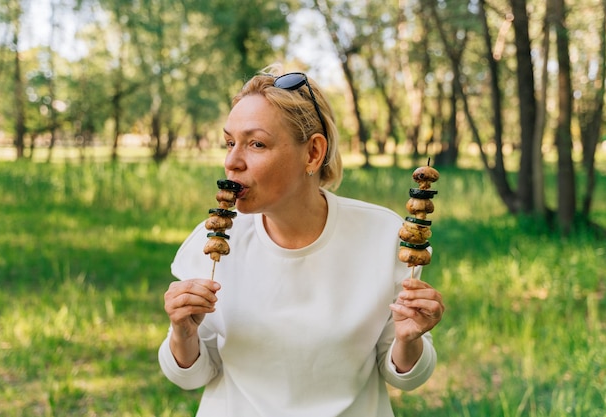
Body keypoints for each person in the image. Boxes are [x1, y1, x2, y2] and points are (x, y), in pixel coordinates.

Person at [158, 64, 445, 417]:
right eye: (230, 142)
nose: (231, 162)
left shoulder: (386, 236)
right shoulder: (212, 242)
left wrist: (408, 339)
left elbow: (403, 375)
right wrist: (182, 334)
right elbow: (192, 375)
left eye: (256, 144)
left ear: (312, 153)